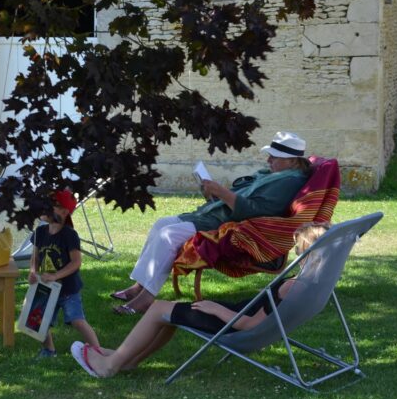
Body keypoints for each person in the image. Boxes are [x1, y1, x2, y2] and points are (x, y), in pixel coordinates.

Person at [72, 222, 331, 378]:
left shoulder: (292, 287)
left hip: (232, 324)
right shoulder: (314, 282)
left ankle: (110, 365)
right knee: (171, 313)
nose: (294, 252)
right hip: (237, 314)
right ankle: (128, 360)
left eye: (297, 248)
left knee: (159, 308)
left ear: (307, 251)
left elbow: (249, 325)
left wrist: (214, 307)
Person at [111, 131, 312, 315]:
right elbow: (240, 198)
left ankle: (146, 299)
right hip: (215, 214)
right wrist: (214, 195)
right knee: (161, 224)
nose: (268, 160)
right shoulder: (273, 175)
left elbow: (257, 211)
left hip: (229, 225)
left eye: (274, 157)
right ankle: (138, 286)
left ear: (293, 161)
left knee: (168, 236)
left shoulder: (289, 182)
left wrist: (221, 192)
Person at [28, 189, 102, 359]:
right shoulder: (40, 232)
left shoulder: (69, 235)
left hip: (68, 289)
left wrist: (56, 276)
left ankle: (98, 351)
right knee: (38, 321)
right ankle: (49, 350)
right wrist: (33, 272)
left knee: (77, 320)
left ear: (64, 211)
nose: (45, 208)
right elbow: (35, 258)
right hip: (46, 288)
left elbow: (76, 262)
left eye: (51, 206)